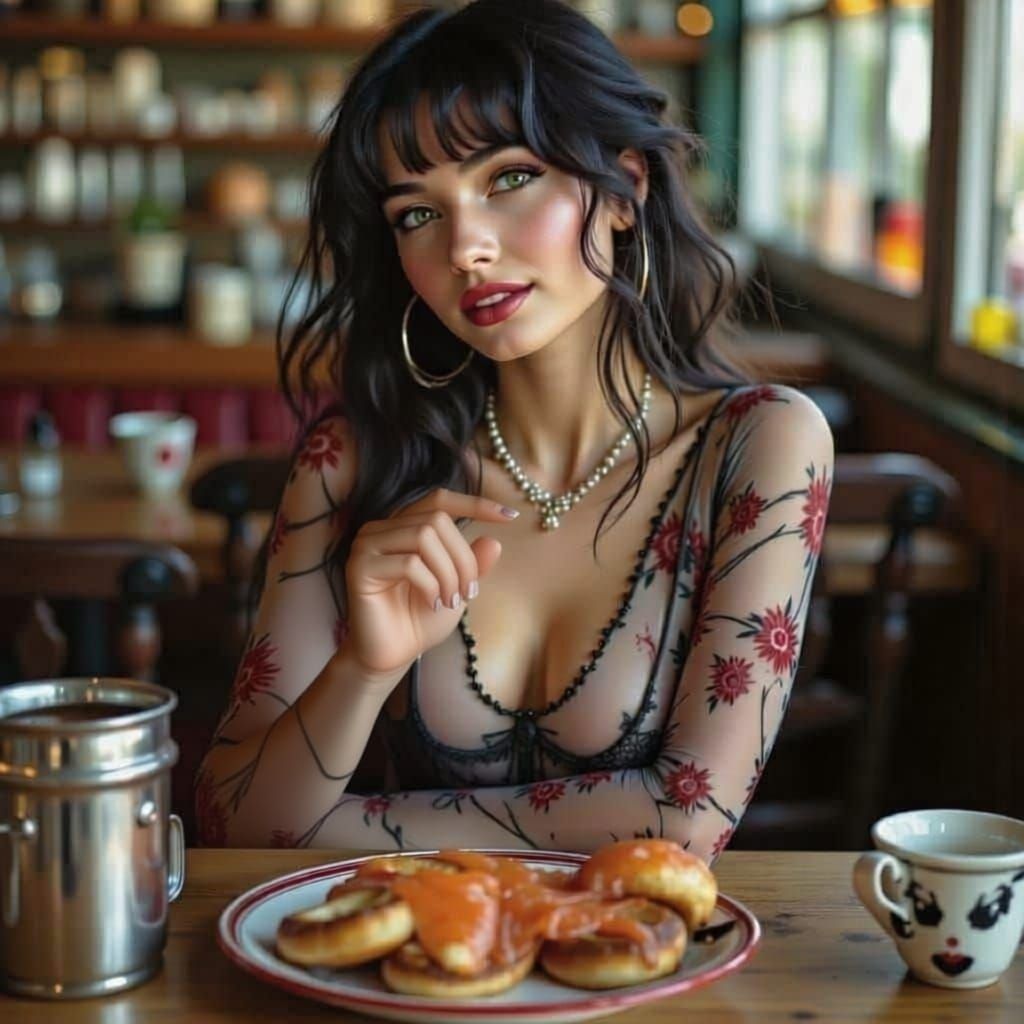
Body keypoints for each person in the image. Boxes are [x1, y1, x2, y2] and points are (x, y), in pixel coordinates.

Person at [195, 0, 833, 861]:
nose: (466, 249)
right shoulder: (350, 465)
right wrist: (365, 668)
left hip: (635, 978)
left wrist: (334, 832)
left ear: (623, 190)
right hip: (413, 980)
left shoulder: (759, 447)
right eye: (418, 214)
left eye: (507, 179)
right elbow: (234, 821)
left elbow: (686, 822)